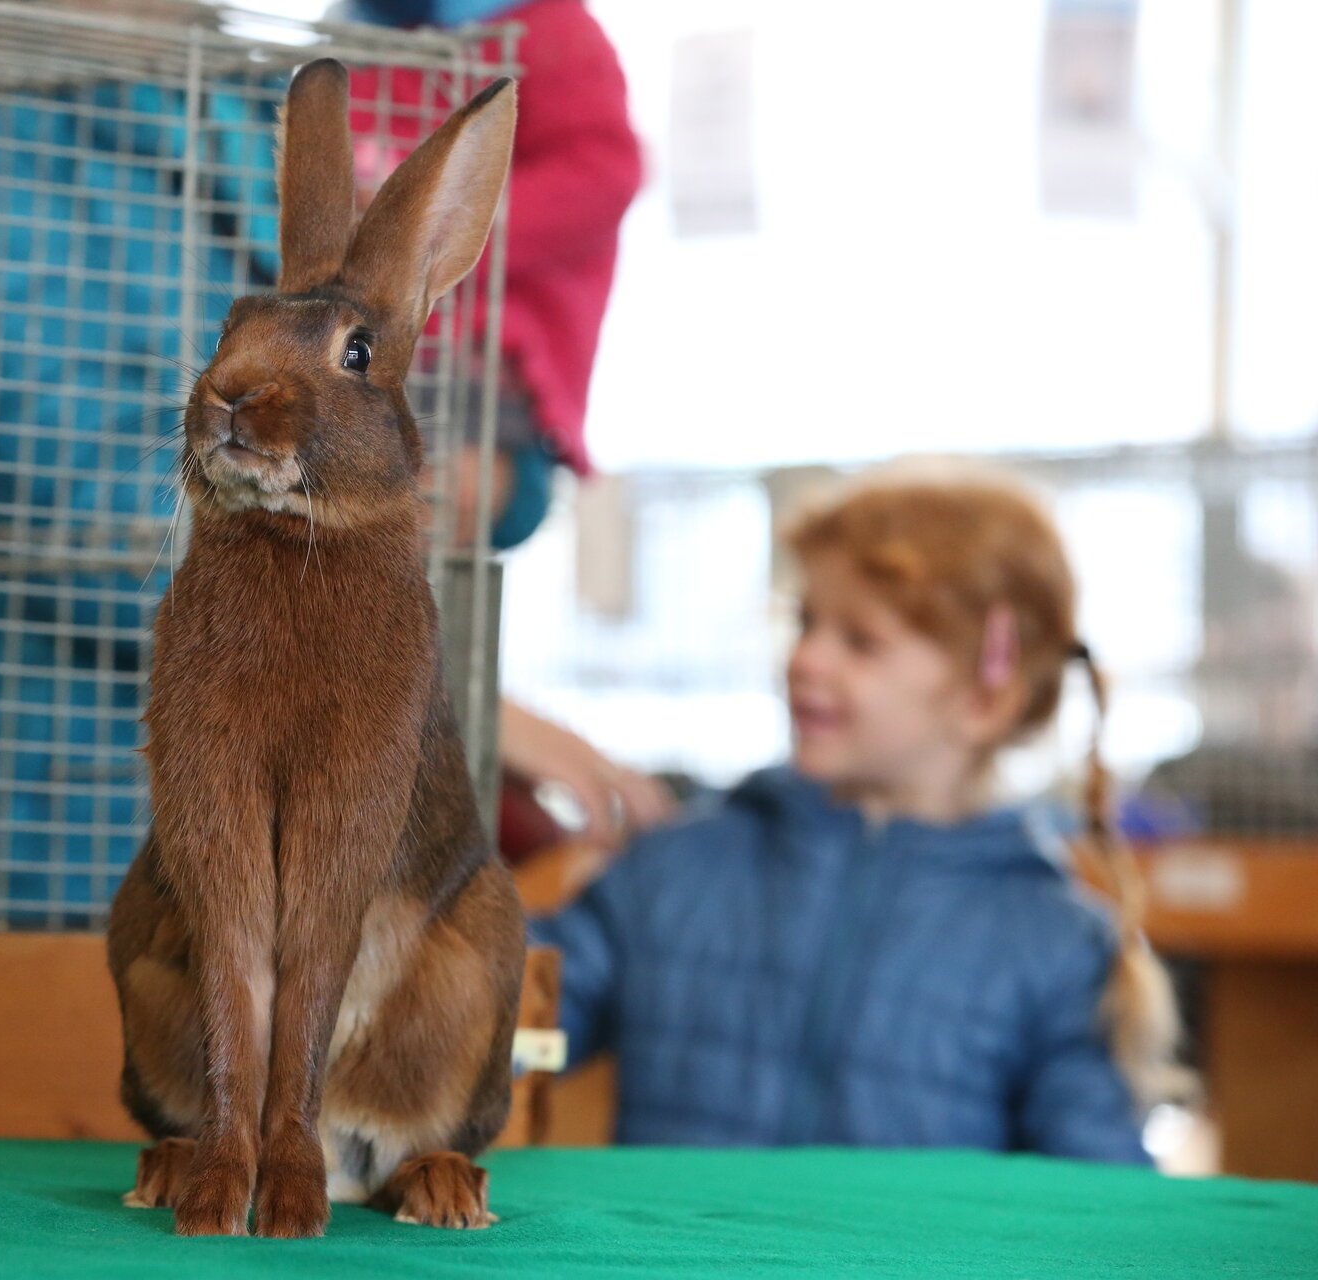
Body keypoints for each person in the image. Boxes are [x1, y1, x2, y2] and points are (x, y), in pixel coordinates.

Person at [533, 464, 1185, 1161]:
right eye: (807, 622)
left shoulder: (1053, 942)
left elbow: (1095, 1200)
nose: (805, 659)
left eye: (860, 641)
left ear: (987, 700)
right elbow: (506, 1026)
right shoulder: (675, 866)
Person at [349, 0, 675, 849]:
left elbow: (607, 169)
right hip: (388, 345)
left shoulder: (550, 29)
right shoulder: (353, 36)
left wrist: (446, 236)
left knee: (415, 549)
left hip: (493, 363)